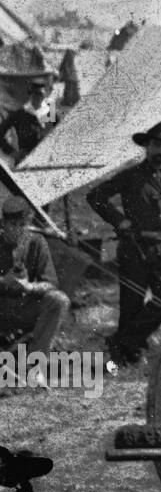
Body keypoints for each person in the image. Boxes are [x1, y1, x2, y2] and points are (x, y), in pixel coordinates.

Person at [87, 121, 161, 366]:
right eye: (156, 145)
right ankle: (130, 353)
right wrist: (119, 220)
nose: (160, 151)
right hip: (135, 247)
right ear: (147, 146)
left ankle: (122, 341)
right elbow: (95, 197)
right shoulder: (131, 175)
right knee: (131, 303)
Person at [0, 196, 69, 361]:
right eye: (12, 225)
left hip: (24, 305)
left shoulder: (37, 243)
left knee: (59, 300)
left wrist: (29, 287)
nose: (17, 230)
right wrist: (3, 281)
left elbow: (51, 284)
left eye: (22, 225)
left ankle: (35, 362)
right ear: (3, 223)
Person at [0, 75, 57, 164]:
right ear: (30, 94)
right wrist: (12, 152)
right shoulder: (19, 114)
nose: (38, 97)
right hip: (26, 161)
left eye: (41, 94)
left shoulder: (51, 112)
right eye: (35, 94)